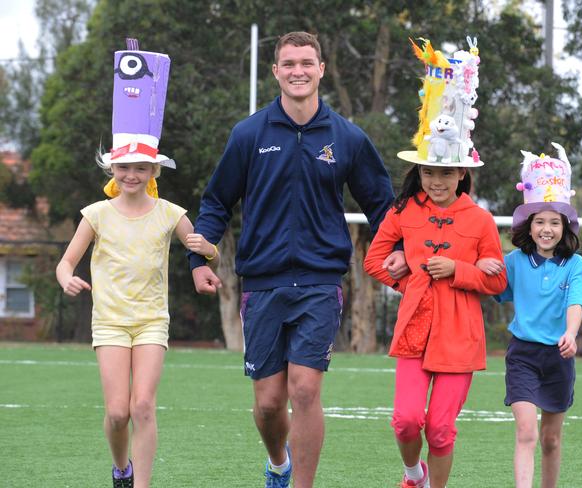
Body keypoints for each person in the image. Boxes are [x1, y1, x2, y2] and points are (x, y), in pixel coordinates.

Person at [188, 31, 407, 488]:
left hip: (320, 282)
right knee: (269, 403)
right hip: (263, 282)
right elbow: (215, 203)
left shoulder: (347, 137)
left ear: (321, 69)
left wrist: (400, 250)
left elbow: (383, 206)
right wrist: (200, 260)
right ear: (276, 72)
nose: (298, 71)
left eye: (307, 62)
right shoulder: (249, 134)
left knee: (305, 390)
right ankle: (279, 465)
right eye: (289, 64)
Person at [55, 38, 216, 488]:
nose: (131, 175)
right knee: (117, 411)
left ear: (153, 173)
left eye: (140, 169)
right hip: (109, 321)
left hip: (150, 321)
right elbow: (66, 263)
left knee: (143, 406)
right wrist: (68, 278)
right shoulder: (96, 214)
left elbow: (205, 250)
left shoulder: (170, 213)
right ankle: (120, 468)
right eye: (124, 168)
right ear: (113, 170)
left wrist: (207, 250)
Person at [364, 36, 507, 488]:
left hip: (460, 339)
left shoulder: (480, 219)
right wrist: (400, 273)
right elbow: (373, 260)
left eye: (445, 172)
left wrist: (460, 272)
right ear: (419, 172)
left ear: (462, 172)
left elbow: (498, 278)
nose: (437, 180)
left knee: (441, 428)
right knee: (406, 421)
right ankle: (414, 475)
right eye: (429, 172)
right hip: (413, 331)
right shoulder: (403, 210)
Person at [478, 142, 582, 488]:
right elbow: (491, 285)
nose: (547, 228)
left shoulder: (575, 265)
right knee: (527, 433)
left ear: (565, 227)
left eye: (554, 223)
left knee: (550, 439)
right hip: (523, 357)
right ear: (528, 227)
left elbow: (577, 304)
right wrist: (483, 267)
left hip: (559, 358)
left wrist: (571, 334)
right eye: (540, 222)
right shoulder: (514, 262)